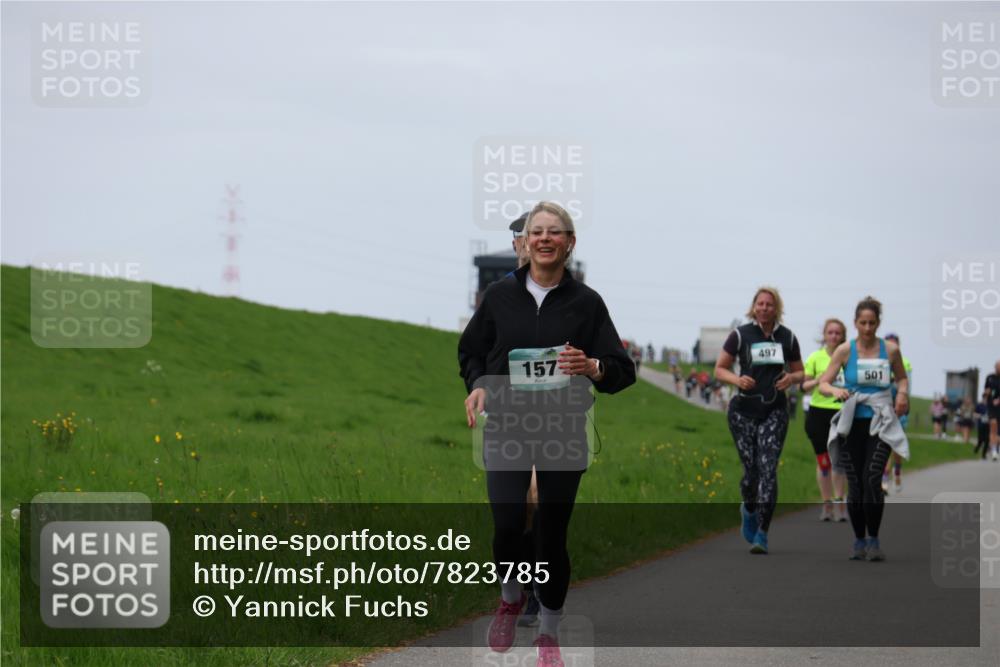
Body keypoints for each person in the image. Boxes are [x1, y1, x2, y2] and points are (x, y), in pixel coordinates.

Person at [459, 201, 635, 665]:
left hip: (562, 429)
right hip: (508, 425)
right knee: (506, 525)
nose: (543, 238)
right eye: (536, 231)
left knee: (551, 536)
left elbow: (622, 369)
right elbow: (471, 352)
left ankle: (549, 635)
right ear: (526, 241)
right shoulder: (499, 296)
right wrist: (478, 386)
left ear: (569, 243)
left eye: (554, 232)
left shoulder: (587, 303)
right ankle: (511, 596)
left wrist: (594, 366)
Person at [714, 286, 804, 555]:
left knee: (768, 470)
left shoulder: (787, 338)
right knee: (751, 473)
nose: (764, 308)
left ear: (777, 309)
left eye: (770, 304)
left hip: (774, 411)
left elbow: (800, 372)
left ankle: (762, 533)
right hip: (742, 412)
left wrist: (790, 378)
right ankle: (749, 508)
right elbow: (720, 368)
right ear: (753, 307)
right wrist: (736, 379)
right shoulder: (741, 335)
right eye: (760, 304)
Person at [819, 296, 909, 562]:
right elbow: (824, 383)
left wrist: (902, 394)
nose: (867, 328)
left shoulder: (890, 350)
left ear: (878, 323)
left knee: (872, 478)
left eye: (872, 323)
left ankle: (874, 539)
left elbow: (901, 377)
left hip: (880, 421)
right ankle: (858, 540)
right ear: (855, 323)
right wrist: (836, 390)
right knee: (856, 485)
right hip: (852, 422)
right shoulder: (845, 350)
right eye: (863, 323)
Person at [801, 318, 849, 522]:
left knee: (839, 463)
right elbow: (803, 386)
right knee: (823, 464)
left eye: (838, 333)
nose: (834, 336)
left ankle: (840, 506)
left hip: (841, 413)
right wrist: (818, 380)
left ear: (843, 336)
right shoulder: (815, 357)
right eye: (830, 332)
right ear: (824, 335)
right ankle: (826, 506)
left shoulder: (849, 358)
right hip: (818, 413)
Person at [882, 332, 911, 494]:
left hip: (899, 408)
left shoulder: (904, 363)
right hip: (883, 407)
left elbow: (905, 384)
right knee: (884, 444)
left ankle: (897, 470)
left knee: (896, 445)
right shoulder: (878, 361)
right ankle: (885, 477)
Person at [986, 361, 1000, 461]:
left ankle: (996, 447)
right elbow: (987, 390)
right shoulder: (990, 377)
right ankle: (994, 450)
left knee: (998, 433)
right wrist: (989, 397)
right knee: (993, 426)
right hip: (992, 406)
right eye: (997, 366)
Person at [974, 390, 991, 459]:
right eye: (985, 397)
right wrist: (980, 416)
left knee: (987, 440)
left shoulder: (990, 406)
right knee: (980, 439)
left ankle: (984, 455)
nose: (986, 399)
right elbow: (974, 414)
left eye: (987, 397)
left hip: (988, 425)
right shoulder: (979, 405)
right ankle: (976, 449)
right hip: (981, 424)